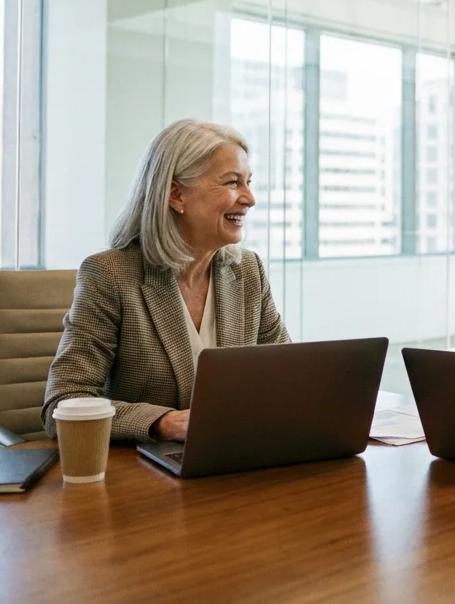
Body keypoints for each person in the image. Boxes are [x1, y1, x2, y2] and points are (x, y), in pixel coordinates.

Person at [42, 119, 290, 444]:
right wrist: (162, 422)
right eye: (232, 183)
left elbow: (286, 375)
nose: (249, 198)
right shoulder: (110, 276)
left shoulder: (247, 270)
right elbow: (64, 402)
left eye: (248, 182)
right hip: (146, 473)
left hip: (234, 457)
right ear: (176, 194)